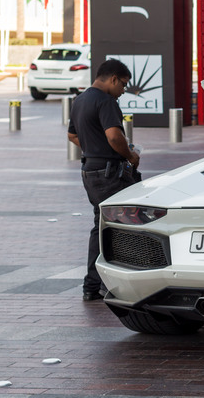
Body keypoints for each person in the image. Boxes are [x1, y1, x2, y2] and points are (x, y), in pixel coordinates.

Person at [67, 59, 140, 301]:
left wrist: (92, 147)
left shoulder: (81, 100)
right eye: (124, 85)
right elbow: (114, 137)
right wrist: (130, 156)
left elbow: (72, 135)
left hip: (90, 170)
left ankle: (92, 285)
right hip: (110, 173)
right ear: (113, 79)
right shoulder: (106, 101)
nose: (123, 91)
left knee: (101, 225)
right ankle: (120, 282)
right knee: (129, 222)